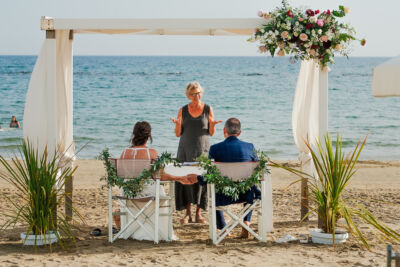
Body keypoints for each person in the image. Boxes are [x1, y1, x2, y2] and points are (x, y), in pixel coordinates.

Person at [118, 121, 198, 241]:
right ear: (149, 136)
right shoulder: (152, 153)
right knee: (158, 191)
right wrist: (179, 178)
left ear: (134, 135)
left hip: (128, 194)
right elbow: (161, 176)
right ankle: (158, 232)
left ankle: (131, 230)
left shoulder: (124, 153)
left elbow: (121, 176)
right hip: (150, 196)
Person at [170, 81, 222, 224]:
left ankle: (199, 213)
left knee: (200, 180)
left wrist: (212, 124)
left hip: (202, 149)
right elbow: (177, 133)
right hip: (185, 149)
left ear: (201, 93)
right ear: (188, 95)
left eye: (198, 93)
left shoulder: (208, 109)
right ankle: (187, 214)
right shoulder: (183, 110)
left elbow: (211, 133)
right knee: (185, 179)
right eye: (193, 94)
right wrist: (178, 125)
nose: (196, 96)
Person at [202, 117, 260, 238]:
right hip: (246, 193)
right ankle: (246, 222)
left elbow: (209, 173)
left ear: (224, 131)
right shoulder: (249, 147)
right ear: (239, 133)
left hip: (222, 194)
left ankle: (224, 230)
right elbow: (257, 171)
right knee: (251, 185)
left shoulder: (214, 149)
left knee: (212, 189)